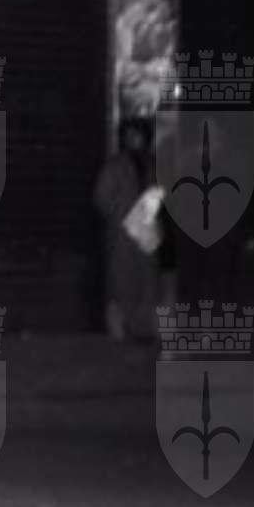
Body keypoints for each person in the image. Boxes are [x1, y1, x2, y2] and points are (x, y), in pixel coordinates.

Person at [94, 116, 163, 340]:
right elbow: (101, 198)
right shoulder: (115, 166)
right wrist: (121, 216)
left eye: (137, 135)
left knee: (147, 282)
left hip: (147, 232)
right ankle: (121, 329)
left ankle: (143, 327)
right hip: (123, 234)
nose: (134, 139)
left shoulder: (153, 165)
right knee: (122, 281)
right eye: (129, 135)